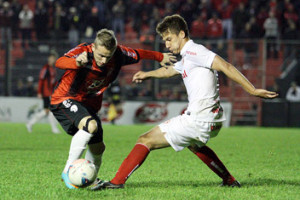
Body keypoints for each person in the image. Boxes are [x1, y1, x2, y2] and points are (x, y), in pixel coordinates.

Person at [91, 14, 278, 190]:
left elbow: (225, 66)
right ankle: (229, 181)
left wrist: (252, 90)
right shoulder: (188, 56)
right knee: (194, 144)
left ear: (182, 34)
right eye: (164, 40)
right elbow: (171, 70)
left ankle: (116, 182)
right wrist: (147, 75)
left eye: (169, 39)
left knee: (145, 139)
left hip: (199, 118)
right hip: (210, 118)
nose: (166, 44)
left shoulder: (196, 51)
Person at [49, 28, 175, 189]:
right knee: (90, 126)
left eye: (107, 56)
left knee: (98, 147)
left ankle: (90, 180)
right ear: (93, 47)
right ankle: (68, 171)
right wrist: (77, 62)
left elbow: (138, 53)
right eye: (100, 55)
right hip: (64, 99)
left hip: (87, 104)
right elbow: (60, 62)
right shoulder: (83, 51)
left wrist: (160, 56)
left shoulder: (119, 55)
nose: (103, 60)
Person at [26, 52, 60, 134]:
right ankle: (54, 129)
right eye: (51, 58)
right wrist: (39, 92)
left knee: (47, 111)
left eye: (54, 58)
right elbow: (41, 80)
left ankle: (30, 123)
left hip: (50, 93)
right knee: (50, 110)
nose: (53, 60)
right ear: (49, 59)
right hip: (46, 93)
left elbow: (53, 82)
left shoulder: (53, 69)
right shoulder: (46, 68)